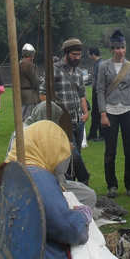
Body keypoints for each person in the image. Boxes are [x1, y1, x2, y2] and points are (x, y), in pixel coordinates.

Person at [0, 121, 130, 259]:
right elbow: (71, 231)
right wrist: (83, 214)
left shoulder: (10, 169)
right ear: (45, 147)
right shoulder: (37, 177)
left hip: (17, 257)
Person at [97, 29, 130, 198]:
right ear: (111, 49)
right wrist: (103, 113)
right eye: (117, 48)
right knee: (110, 151)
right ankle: (112, 186)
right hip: (110, 111)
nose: (120, 51)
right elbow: (100, 90)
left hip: (129, 110)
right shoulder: (103, 66)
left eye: (122, 47)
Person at [40, 38, 91, 185]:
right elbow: (43, 94)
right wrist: (56, 113)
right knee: (72, 156)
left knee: (75, 157)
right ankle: (84, 180)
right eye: (74, 54)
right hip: (63, 122)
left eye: (80, 54)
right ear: (66, 53)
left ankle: (72, 186)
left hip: (78, 120)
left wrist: (86, 113)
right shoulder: (54, 70)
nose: (77, 57)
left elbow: (81, 94)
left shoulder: (79, 72)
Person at [19, 43, 41, 120]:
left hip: (21, 95)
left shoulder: (19, 64)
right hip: (31, 97)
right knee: (31, 119)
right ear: (32, 54)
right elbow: (36, 81)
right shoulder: (29, 65)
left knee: (23, 118)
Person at [87, 46, 104, 142]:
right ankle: (93, 133)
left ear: (93, 54)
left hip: (98, 92)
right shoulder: (97, 64)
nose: (89, 56)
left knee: (100, 113)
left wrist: (98, 92)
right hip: (95, 91)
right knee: (95, 113)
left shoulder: (100, 64)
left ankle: (102, 134)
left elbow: (101, 80)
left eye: (89, 54)